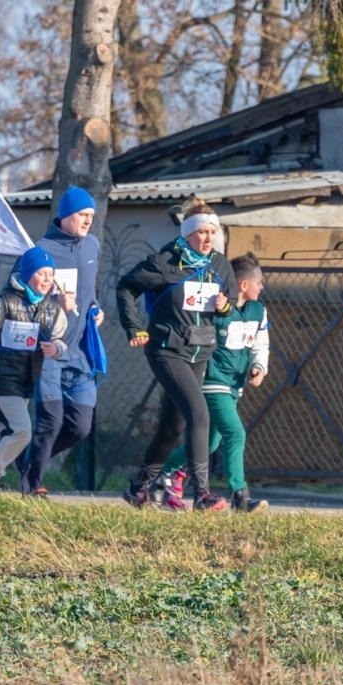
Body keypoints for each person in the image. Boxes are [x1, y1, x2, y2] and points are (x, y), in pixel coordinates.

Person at [115, 199, 238, 512]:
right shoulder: (165, 262)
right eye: (201, 232)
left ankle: (137, 489)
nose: (209, 237)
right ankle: (202, 495)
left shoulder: (220, 265)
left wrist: (225, 305)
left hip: (200, 350)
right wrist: (134, 327)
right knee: (200, 415)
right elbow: (126, 287)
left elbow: (231, 301)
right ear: (187, 235)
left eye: (213, 231)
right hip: (166, 350)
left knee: (171, 428)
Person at [160, 252, 271, 513]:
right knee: (236, 433)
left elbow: (260, 344)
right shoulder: (215, 307)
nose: (262, 287)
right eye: (259, 282)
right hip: (212, 382)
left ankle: (164, 471)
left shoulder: (258, 311)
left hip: (234, 385)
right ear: (243, 285)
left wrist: (258, 366)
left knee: (208, 444)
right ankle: (240, 496)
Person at [0, 247, 69, 492]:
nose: (48, 279)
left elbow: (61, 339)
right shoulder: (2, 305)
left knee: (3, 428)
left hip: (25, 382)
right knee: (21, 431)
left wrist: (56, 348)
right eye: (41, 273)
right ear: (27, 274)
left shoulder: (52, 309)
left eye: (51, 274)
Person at [18, 186, 103, 496]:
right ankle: (32, 485)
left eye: (91, 216)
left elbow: (90, 291)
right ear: (66, 216)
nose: (88, 221)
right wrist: (54, 305)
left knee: (80, 427)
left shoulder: (92, 246)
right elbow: (21, 300)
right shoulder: (41, 249)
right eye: (82, 215)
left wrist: (96, 308)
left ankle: (28, 461)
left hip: (81, 352)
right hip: (49, 350)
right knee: (49, 421)